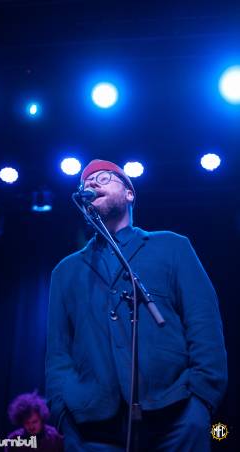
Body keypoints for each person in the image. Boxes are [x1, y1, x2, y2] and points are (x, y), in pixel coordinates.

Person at [45, 159, 228, 451]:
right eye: (86, 183)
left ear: (129, 193)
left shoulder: (172, 247)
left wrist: (201, 403)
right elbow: (58, 353)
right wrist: (63, 416)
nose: (91, 184)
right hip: (92, 431)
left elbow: (204, 325)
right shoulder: (65, 272)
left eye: (104, 178)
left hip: (176, 417)